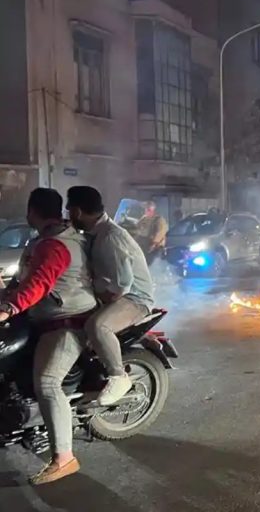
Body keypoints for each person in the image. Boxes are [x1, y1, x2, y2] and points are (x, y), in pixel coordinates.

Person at [0, 188, 97, 485]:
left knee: (47, 381)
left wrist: (8, 307)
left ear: (33, 211)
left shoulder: (55, 244)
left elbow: (39, 284)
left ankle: (64, 458)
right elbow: (22, 280)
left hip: (66, 321)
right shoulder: (40, 241)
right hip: (42, 316)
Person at [65, 186, 155, 406]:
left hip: (135, 298)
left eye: (69, 210)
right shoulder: (93, 234)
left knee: (98, 326)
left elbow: (123, 284)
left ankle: (118, 376)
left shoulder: (110, 237)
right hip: (112, 293)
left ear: (77, 211)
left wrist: (101, 300)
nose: (67, 214)